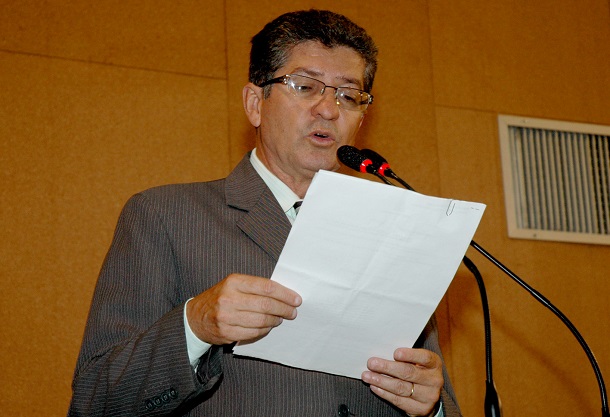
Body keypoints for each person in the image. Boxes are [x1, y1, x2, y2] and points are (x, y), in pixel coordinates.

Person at [68, 9, 462, 417]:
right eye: (305, 87)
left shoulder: (394, 233)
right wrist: (195, 326)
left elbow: (437, 394)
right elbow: (94, 400)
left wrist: (432, 406)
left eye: (348, 96)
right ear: (255, 104)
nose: (329, 110)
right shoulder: (165, 216)